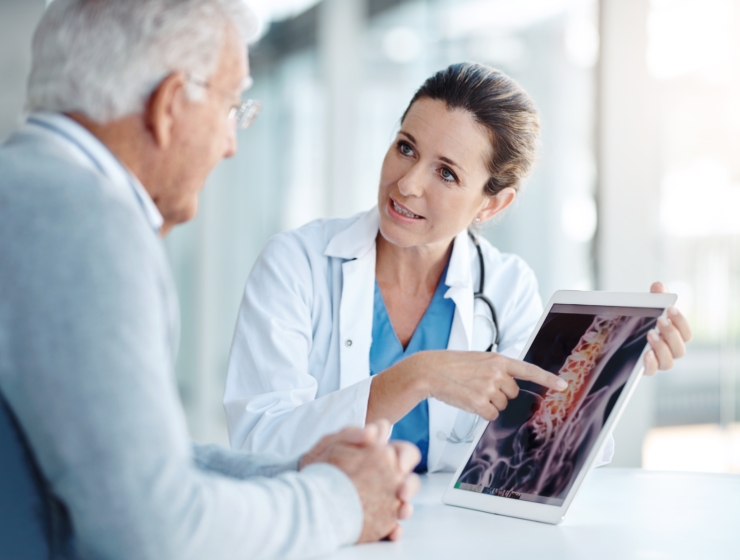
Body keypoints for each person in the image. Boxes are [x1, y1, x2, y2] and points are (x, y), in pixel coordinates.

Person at [0, 1, 421, 558]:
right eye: (230, 107)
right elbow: (152, 527)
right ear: (170, 104)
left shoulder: (25, 191)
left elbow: (120, 455)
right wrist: (343, 501)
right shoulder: (82, 219)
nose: (230, 143)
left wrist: (293, 470)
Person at [224, 63, 693, 473]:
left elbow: (537, 450)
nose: (407, 185)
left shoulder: (507, 289)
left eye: (446, 173)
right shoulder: (296, 264)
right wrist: (414, 377)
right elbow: (259, 443)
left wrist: (613, 366)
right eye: (406, 147)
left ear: (493, 204)